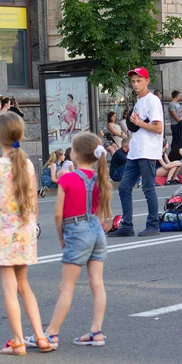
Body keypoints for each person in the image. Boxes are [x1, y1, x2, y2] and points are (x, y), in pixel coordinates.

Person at [26, 132, 111, 350]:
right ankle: (96, 332)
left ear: (76, 154)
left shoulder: (67, 178)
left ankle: (51, 335)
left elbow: (57, 214)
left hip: (77, 231)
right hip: (97, 231)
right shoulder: (100, 179)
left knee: (66, 288)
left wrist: (62, 237)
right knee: (97, 284)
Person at [0, 112, 53, 355]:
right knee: (24, 285)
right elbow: (34, 201)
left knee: (9, 288)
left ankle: (18, 340)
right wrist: (32, 228)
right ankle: (40, 337)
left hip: (4, 232)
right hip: (25, 231)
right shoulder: (28, 164)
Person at [109, 68, 163, 238]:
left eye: (139, 80)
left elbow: (158, 127)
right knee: (124, 187)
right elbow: (136, 126)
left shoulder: (153, 100)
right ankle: (127, 226)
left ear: (147, 80)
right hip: (135, 151)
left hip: (147, 151)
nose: (135, 84)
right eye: (133, 81)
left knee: (148, 187)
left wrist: (139, 122)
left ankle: (153, 224)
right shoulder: (138, 102)